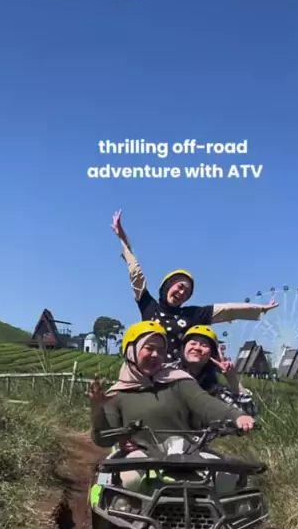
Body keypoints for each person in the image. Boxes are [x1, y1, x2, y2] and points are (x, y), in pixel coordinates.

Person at [89, 320, 255, 494]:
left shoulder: (178, 380)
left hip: (186, 453)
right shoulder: (116, 394)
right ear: (131, 350)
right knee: (129, 480)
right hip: (141, 455)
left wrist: (237, 416)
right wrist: (97, 410)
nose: (156, 355)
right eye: (149, 348)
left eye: (161, 350)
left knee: (226, 477)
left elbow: (206, 403)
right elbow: (104, 440)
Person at [111, 210, 279, 361]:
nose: (182, 293)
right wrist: (123, 239)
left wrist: (259, 309)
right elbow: (136, 274)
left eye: (187, 292)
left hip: (175, 374)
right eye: (180, 286)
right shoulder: (149, 306)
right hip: (146, 368)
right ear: (167, 286)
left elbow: (227, 310)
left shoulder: (191, 315)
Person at [180, 325, 257, 417]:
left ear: (212, 354)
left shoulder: (215, 391)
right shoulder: (168, 376)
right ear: (183, 348)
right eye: (193, 343)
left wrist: (232, 378)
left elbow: (249, 413)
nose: (197, 348)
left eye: (204, 345)